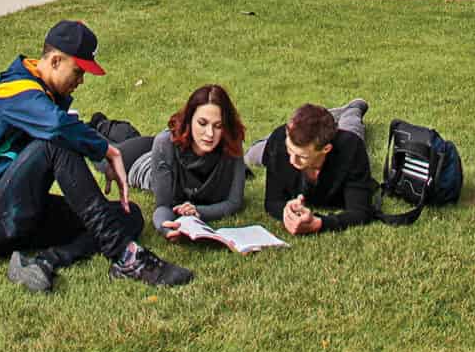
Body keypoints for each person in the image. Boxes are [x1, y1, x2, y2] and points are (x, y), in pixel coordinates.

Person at [0, 20, 194, 292]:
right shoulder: (15, 91)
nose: (81, 81)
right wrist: (107, 150)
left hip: (21, 213)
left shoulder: (39, 94)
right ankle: (125, 257)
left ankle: (45, 261)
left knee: (129, 216)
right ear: (55, 61)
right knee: (56, 144)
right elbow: (57, 128)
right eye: (78, 72)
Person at [127, 83, 247, 238]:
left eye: (218, 126)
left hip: (170, 147)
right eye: (202, 123)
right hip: (141, 164)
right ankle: (99, 124)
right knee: (107, 154)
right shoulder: (165, 144)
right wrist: (165, 227)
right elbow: (163, 206)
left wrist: (196, 211)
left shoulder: (231, 141)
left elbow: (234, 202)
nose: (210, 134)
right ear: (189, 120)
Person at [257, 100, 376, 236]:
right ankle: (322, 118)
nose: (292, 160)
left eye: (302, 157)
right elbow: (272, 201)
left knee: (351, 126)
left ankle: (352, 109)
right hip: (281, 139)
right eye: (289, 150)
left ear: (326, 149)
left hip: (345, 136)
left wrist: (319, 223)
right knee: (251, 156)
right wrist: (286, 212)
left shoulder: (351, 147)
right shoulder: (279, 141)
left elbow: (360, 211)